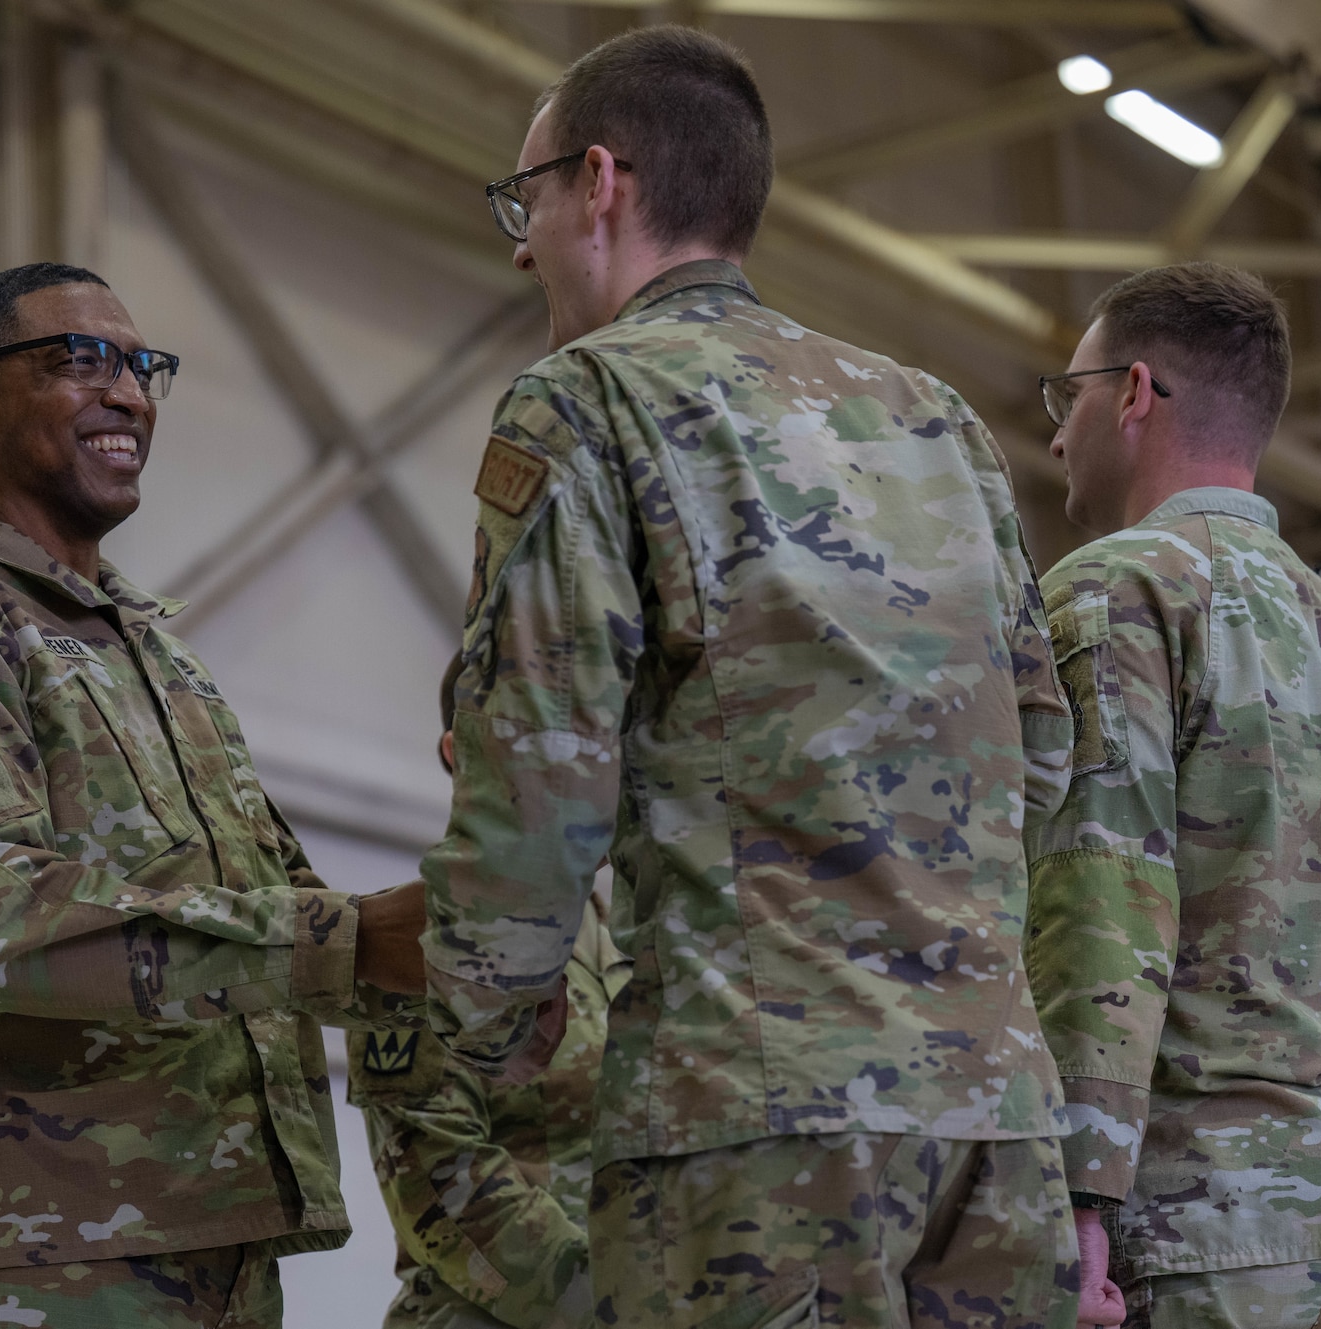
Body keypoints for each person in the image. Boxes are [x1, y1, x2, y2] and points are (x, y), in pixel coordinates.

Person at [406, 25, 1083, 1328]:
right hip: (994, 1133)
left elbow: (540, 769)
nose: (517, 240)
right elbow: (1041, 753)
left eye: (525, 198)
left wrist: (487, 1034)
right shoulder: (935, 421)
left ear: (598, 183)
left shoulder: (587, 399)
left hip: (760, 1123)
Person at [0, 263, 421, 1328]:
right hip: (21, 1256)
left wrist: (463, 959)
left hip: (205, 1236)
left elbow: (285, 910)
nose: (128, 392)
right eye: (80, 360)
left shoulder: (154, 659)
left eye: (142, 365)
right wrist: (352, 944)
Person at [1031, 262, 1321, 1328]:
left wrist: (1075, 1208)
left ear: (1131, 394)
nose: (1052, 434)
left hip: (1213, 1230)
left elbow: (1099, 908)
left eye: (1065, 395)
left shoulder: (1117, 590)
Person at [348, 662, 628, 1329]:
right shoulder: (420, 941)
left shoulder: (631, 944)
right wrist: (625, 1308)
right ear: (458, 752)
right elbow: (447, 1188)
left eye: (598, 739)